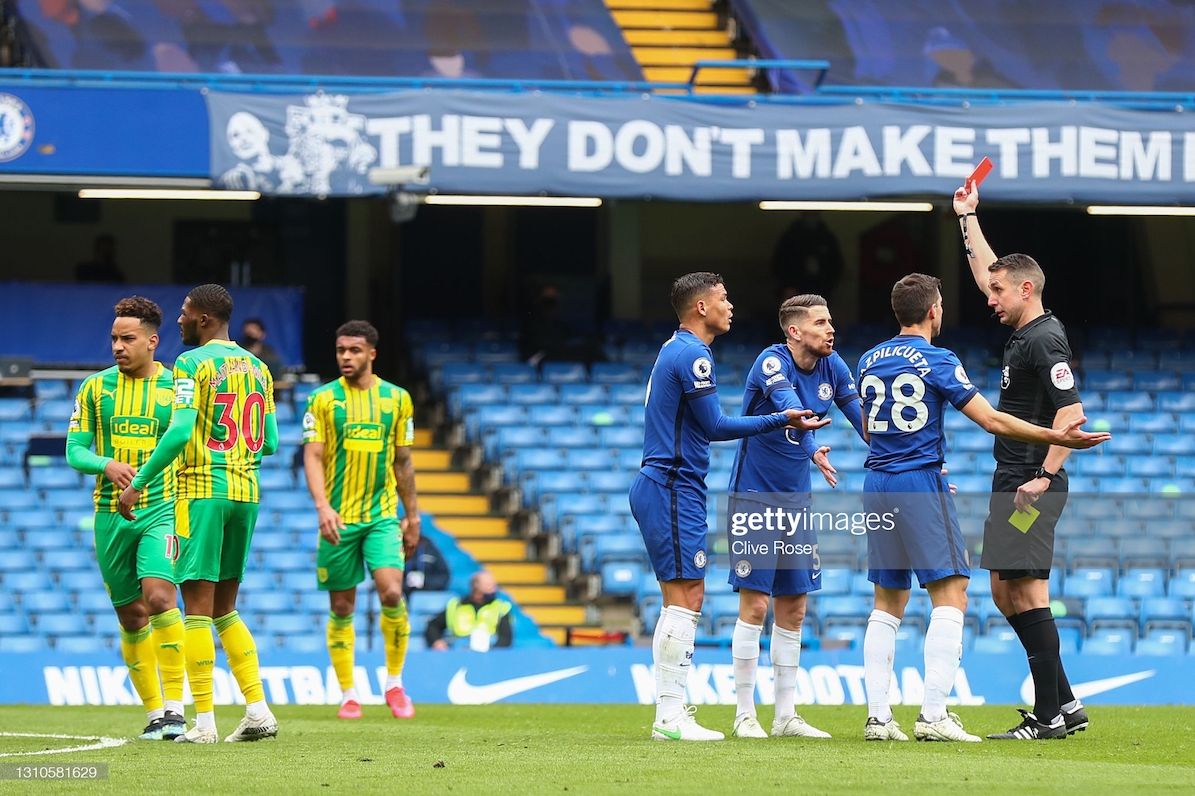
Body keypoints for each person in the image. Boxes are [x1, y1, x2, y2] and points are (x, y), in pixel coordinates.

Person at [857, 274, 1109, 743]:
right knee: (952, 595)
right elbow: (990, 419)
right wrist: (1057, 437)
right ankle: (933, 717)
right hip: (919, 482)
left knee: (886, 602)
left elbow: (871, 431)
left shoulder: (869, 360)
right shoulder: (938, 359)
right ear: (934, 310)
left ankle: (878, 719)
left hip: (877, 481)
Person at [628, 271, 828, 742]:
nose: (730, 305)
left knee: (680, 599)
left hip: (669, 484)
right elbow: (715, 425)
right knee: (686, 599)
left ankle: (671, 712)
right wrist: (782, 417)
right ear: (701, 307)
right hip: (673, 484)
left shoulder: (675, 348)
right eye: (723, 298)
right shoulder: (693, 354)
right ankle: (670, 716)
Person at [954, 184, 1096, 740]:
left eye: (998, 292)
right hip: (1011, 479)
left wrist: (1044, 476)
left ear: (1027, 289)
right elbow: (992, 271)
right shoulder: (1023, 329)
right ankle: (1065, 701)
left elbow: (1073, 415)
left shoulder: (1043, 340)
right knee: (1003, 588)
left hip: (1027, 484)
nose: (989, 297)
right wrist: (968, 221)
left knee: (1028, 592)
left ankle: (1048, 717)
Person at [118, 283, 279, 744]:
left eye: (185, 313)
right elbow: (270, 441)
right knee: (226, 609)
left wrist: (140, 484)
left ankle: (204, 724)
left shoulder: (191, 363)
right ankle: (258, 710)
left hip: (201, 493)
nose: (179, 320)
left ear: (203, 319)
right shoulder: (258, 366)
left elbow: (180, 430)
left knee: (198, 610)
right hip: (246, 492)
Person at [727, 294, 867, 740]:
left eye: (831, 321)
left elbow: (862, 419)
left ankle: (785, 715)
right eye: (821, 322)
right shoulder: (771, 363)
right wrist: (812, 449)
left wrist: (909, 455)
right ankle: (744, 714)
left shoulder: (834, 366)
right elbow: (792, 412)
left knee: (795, 607)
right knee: (756, 604)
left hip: (796, 502)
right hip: (754, 497)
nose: (831, 329)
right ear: (794, 331)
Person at [66, 296, 186, 741]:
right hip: (108, 514)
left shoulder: (177, 387)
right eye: (114, 338)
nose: (118, 346)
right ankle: (155, 713)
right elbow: (74, 450)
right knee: (132, 617)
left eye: (128, 338)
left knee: (159, 599)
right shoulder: (95, 388)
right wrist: (106, 465)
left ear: (152, 341)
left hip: (163, 508)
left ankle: (176, 709)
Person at [302, 320, 421, 721]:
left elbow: (403, 462)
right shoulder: (321, 400)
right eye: (340, 351)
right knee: (342, 606)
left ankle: (394, 683)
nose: (345, 357)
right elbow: (313, 456)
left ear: (372, 353)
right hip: (338, 520)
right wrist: (322, 506)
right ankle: (349, 693)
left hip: (382, 517)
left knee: (391, 593)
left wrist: (414, 516)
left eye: (354, 350)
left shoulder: (397, 400)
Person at [424, 570, 512, 651]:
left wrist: (492, 651)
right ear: (477, 591)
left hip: (488, 650)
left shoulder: (500, 608)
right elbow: (433, 626)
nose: (494, 590)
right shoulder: (456, 606)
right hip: (459, 651)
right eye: (490, 587)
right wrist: (437, 642)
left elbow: (505, 638)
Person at [404, 534, 451, 599]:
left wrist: (424, 581)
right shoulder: (394, 549)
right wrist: (406, 583)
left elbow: (444, 576)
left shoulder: (429, 548)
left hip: (428, 595)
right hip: (402, 595)